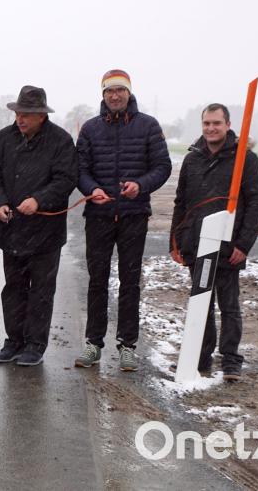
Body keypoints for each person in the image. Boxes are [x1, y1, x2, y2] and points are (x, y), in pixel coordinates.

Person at [73, 69, 172, 372]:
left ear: (129, 93)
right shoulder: (90, 129)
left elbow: (162, 166)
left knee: (130, 282)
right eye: (109, 91)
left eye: (120, 90)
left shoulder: (148, 126)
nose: (114, 96)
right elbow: (79, 169)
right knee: (97, 281)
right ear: (102, 95)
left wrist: (140, 185)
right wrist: (93, 189)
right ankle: (93, 343)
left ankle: (128, 345)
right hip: (99, 216)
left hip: (134, 215)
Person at [170, 103, 258, 381]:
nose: (211, 128)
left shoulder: (245, 159)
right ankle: (200, 358)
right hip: (197, 243)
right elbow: (181, 202)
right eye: (206, 123)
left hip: (228, 246)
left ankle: (231, 360)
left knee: (229, 305)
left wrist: (244, 244)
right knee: (202, 302)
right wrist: (176, 240)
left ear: (227, 124)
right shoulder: (193, 159)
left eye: (216, 123)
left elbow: (257, 202)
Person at [0, 86, 77, 366]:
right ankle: (14, 341)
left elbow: (66, 179)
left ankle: (35, 344)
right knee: (13, 288)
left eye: (28, 114)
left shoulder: (60, 141)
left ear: (41, 116)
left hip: (46, 231)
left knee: (41, 290)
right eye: (18, 113)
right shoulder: (3, 139)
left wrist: (38, 199)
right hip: (12, 228)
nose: (21, 119)